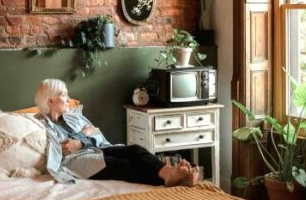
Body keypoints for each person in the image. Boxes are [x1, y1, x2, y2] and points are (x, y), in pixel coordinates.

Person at [34, 78, 200, 187]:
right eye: (64, 95)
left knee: (135, 150)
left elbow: (95, 131)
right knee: (121, 165)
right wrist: (84, 135)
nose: (69, 99)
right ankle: (171, 178)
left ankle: (169, 174)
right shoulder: (43, 126)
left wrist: (79, 141)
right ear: (50, 101)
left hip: (97, 148)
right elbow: (63, 150)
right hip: (79, 161)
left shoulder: (73, 117)